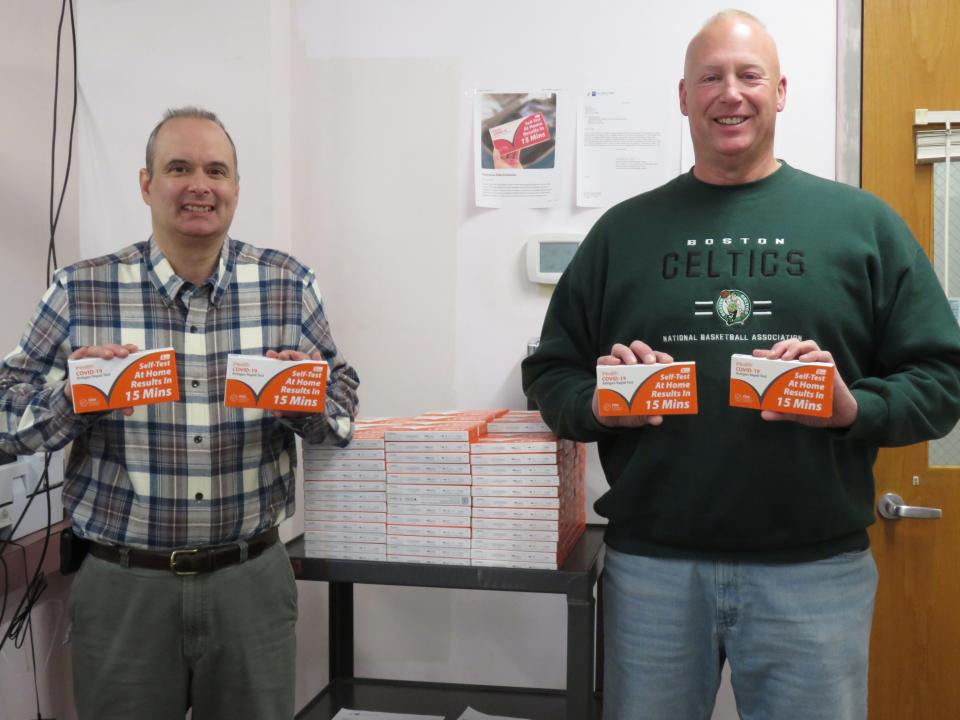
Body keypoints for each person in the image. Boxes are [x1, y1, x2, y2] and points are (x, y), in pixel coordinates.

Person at [522, 10, 960, 720]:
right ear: (684, 97)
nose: (731, 92)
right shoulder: (621, 233)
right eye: (711, 77)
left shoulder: (862, 224)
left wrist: (854, 408)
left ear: (780, 91)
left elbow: (943, 379)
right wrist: (603, 402)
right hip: (652, 571)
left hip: (815, 573)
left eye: (749, 75)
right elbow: (551, 373)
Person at [0, 106, 359, 720]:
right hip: (122, 588)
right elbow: (6, 420)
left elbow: (343, 409)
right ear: (146, 184)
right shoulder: (81, 289)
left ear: (237, 189)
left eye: (216, 170)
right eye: (179, 168)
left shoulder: (287, 284)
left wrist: (299, 397)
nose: (200, 185)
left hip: (250, 583)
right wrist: (78, 395)